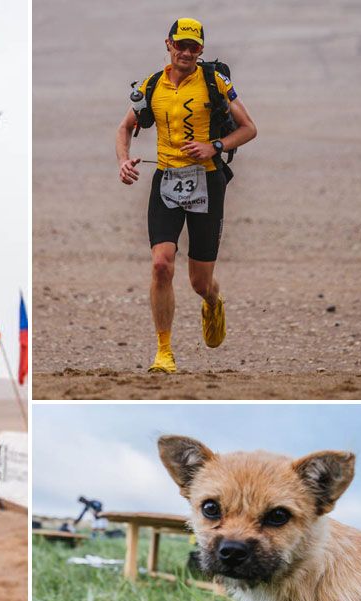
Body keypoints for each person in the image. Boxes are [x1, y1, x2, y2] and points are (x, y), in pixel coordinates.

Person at [116, 17, 257, 373]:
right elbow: (125, 128)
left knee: (199, 282)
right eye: (181, 44)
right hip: (166, 181)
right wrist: (123, 161)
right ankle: (164, 352)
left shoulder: (214, 83)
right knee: (161, 265)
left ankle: (212, 300)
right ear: (168, 44)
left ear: (201, 50)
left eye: (193, 47)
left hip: (207, 183)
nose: (186, 52)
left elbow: (249, 128)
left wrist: (215, 146)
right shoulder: (152, 86)